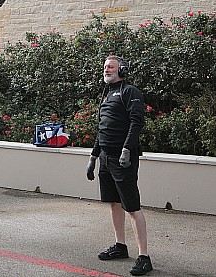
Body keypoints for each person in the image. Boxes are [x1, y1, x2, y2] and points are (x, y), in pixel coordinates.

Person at [86, 55, 152, 276]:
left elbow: (137, 122)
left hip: (123, 158)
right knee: (114, 203)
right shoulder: (106, 93)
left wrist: (126, 149)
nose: (107, 70)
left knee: (132, 207)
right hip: (106, 157)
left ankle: (144, 257)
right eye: (105, 67)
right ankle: (120, 246)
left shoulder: (129, 92)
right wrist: (94, 156)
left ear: (122, 69)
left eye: (111, 67)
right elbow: (103, 127)